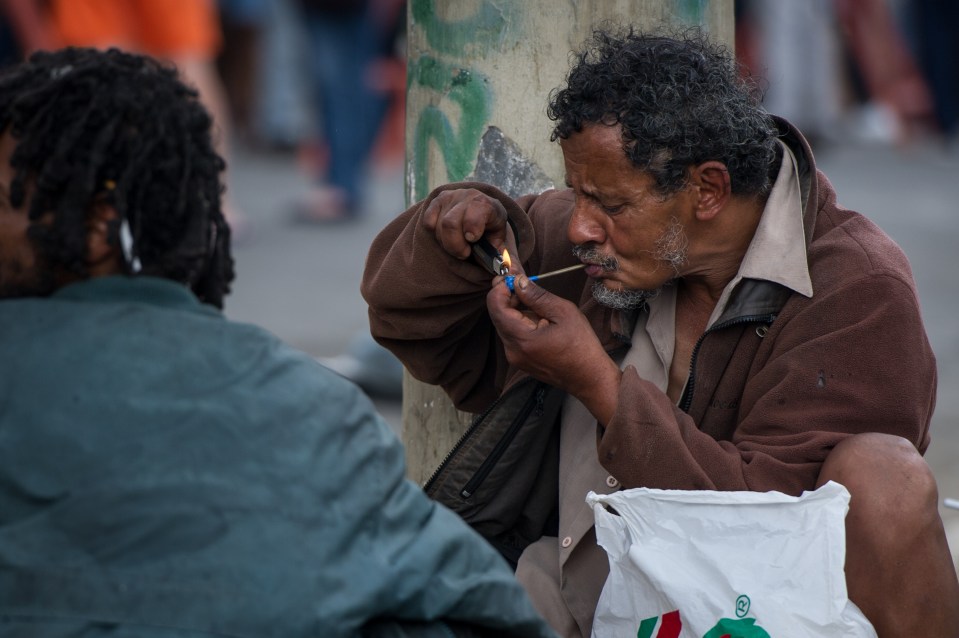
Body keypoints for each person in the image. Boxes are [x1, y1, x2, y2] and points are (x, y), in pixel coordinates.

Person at [361, 27, 959, 638]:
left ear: (707, 190)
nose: (580, 229)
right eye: (577, 196)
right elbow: (403, 318)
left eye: (611, 205)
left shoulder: (856, 292)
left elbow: (761, 533)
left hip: (754, 612)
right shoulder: (597, 248)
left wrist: (596, 381)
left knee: (886, 474)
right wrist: (453, 233)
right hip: (567, 596)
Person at [0, 47, 556, 638]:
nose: (587, 227)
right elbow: (486, 609)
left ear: (97, 229)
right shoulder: (314, 403)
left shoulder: (310, 408)